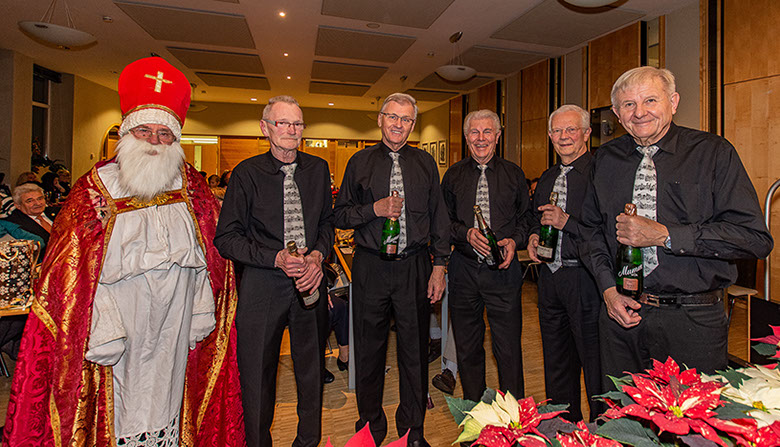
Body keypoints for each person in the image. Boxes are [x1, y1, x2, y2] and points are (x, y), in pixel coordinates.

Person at [3, 56, 245, 446]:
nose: (154, 142)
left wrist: (203, 310)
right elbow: (73, 270)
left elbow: (211, 260)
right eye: (144, 131)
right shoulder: (95, 187)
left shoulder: (191, 186)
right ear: (127, 133)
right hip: (119, 316)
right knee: (125, 395)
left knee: (170, 387)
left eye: (164, 134)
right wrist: (104, 326)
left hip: (178, 314)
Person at [580, 66, 773, 384]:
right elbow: (590, 231)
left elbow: (754, 239)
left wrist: (666, 235)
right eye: (629, 104)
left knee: (690, 414)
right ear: (616, 113)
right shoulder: (604, 159)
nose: (639, 112)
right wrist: (608, 290)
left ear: (673, 102)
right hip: (620, 316)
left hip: (693, 320)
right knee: (619, 411)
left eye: (650, 100)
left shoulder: (713, 153)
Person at [214, 95, 333, 447]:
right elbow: (226, 239)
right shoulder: (246, 173)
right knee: (257, 377)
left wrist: (318, 256)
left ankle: (307, 442)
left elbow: (327, 223)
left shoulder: (318, 169)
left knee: (312, 372)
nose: (291, 130)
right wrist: (275, 258)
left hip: (310, 280)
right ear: (265, 128)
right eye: (283, 123)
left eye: (297, 124)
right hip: (262, 283)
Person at [334, 92, 449, 447]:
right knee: (369, 351)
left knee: (414, 352)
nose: (399, 124)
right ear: (380, 119)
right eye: (393, 117)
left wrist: (440, 265)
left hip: (414, 266)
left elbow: (439, 217)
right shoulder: (359, 161)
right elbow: (340, 215)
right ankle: (370, 426)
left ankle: (413, 429)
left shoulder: (425, 163)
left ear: (413, 125)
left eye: (406, 119)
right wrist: (375, 209)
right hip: (371, 266)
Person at [440, 109, 528, 403]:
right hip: (464, 271)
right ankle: (473, 410)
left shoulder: (514, 174)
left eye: (487, 132)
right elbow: (442, 223)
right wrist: (465, 234)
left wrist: (515, 241)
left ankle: (513, 415)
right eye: (474, 132)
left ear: (498, 136)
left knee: (508, 349)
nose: (481, 138)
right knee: (467, 348)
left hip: (504, 271)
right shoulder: (453, 176)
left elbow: (526, 219)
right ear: (466, 137)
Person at [526, 104, 601, 422]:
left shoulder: (601, 175)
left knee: (595, 366)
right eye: (557, 131)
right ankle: (563, 429)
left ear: (587, 133)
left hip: (588, 280)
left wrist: (566, 221)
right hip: (550, 281)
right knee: (556, 364)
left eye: (571, 129)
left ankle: (601, 434)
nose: (564, 136)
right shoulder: (547, 178)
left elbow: (609, 232)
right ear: (549, 136)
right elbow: (536, 219)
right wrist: (533, 236)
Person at [4, 183, 54, 258]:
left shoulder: (57, 213)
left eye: (40, 198)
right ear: (18, 205)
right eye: (30, 201)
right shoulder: (15, 224)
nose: (38, 203)